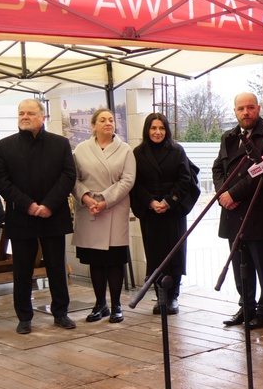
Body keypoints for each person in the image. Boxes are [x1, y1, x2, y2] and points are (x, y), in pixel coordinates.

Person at [0, 99, 77, 334]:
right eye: (21, 113)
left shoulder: (60, 143)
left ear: (43, 117)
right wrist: (27, 204)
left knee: (56, 267)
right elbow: (0, 180)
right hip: (21, 216)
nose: (25, 117)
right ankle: (24, 317)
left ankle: (61, 313)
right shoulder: (5, 146)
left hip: (53, 214)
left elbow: (69, 175)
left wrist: (49, 204)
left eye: (30, 113)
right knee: (22, 270)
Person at [214, 92, 263, 330]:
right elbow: (217, 168)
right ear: (235, 111)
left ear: (258, 108)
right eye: (241, 108)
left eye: (250, 107)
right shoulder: (229, 137)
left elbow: (260, 172)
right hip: (232, 212)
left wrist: (233, 194)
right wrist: (223, 195)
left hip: (256, 212)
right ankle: (246, 306)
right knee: (240, 265)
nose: (246, 112)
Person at [72, 109, 136, 324]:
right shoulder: (81, 149)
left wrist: (105, 200)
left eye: (111, 120)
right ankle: (100, 304)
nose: (108, 123)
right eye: (103, 120)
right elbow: (74, 178)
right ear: (93, 125)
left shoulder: (125, 149)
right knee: (96, 261)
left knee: (115, 260)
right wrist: (87, 199)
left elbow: (128, 180)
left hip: (114, 208)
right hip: (89, 209)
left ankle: (117, 305)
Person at [131, 113, 192, 316]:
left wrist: (168, 202)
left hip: (173, 211)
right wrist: (150, 202)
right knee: (154, 254)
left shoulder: (177, 150)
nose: (158, 132)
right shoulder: (138, 153)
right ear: (147, 130)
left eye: (162, 128)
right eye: (153, 128)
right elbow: (136, 183)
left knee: (174, 254)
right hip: (150, 212)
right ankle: (160, 297)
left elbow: (185, 179)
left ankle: (173, 296)